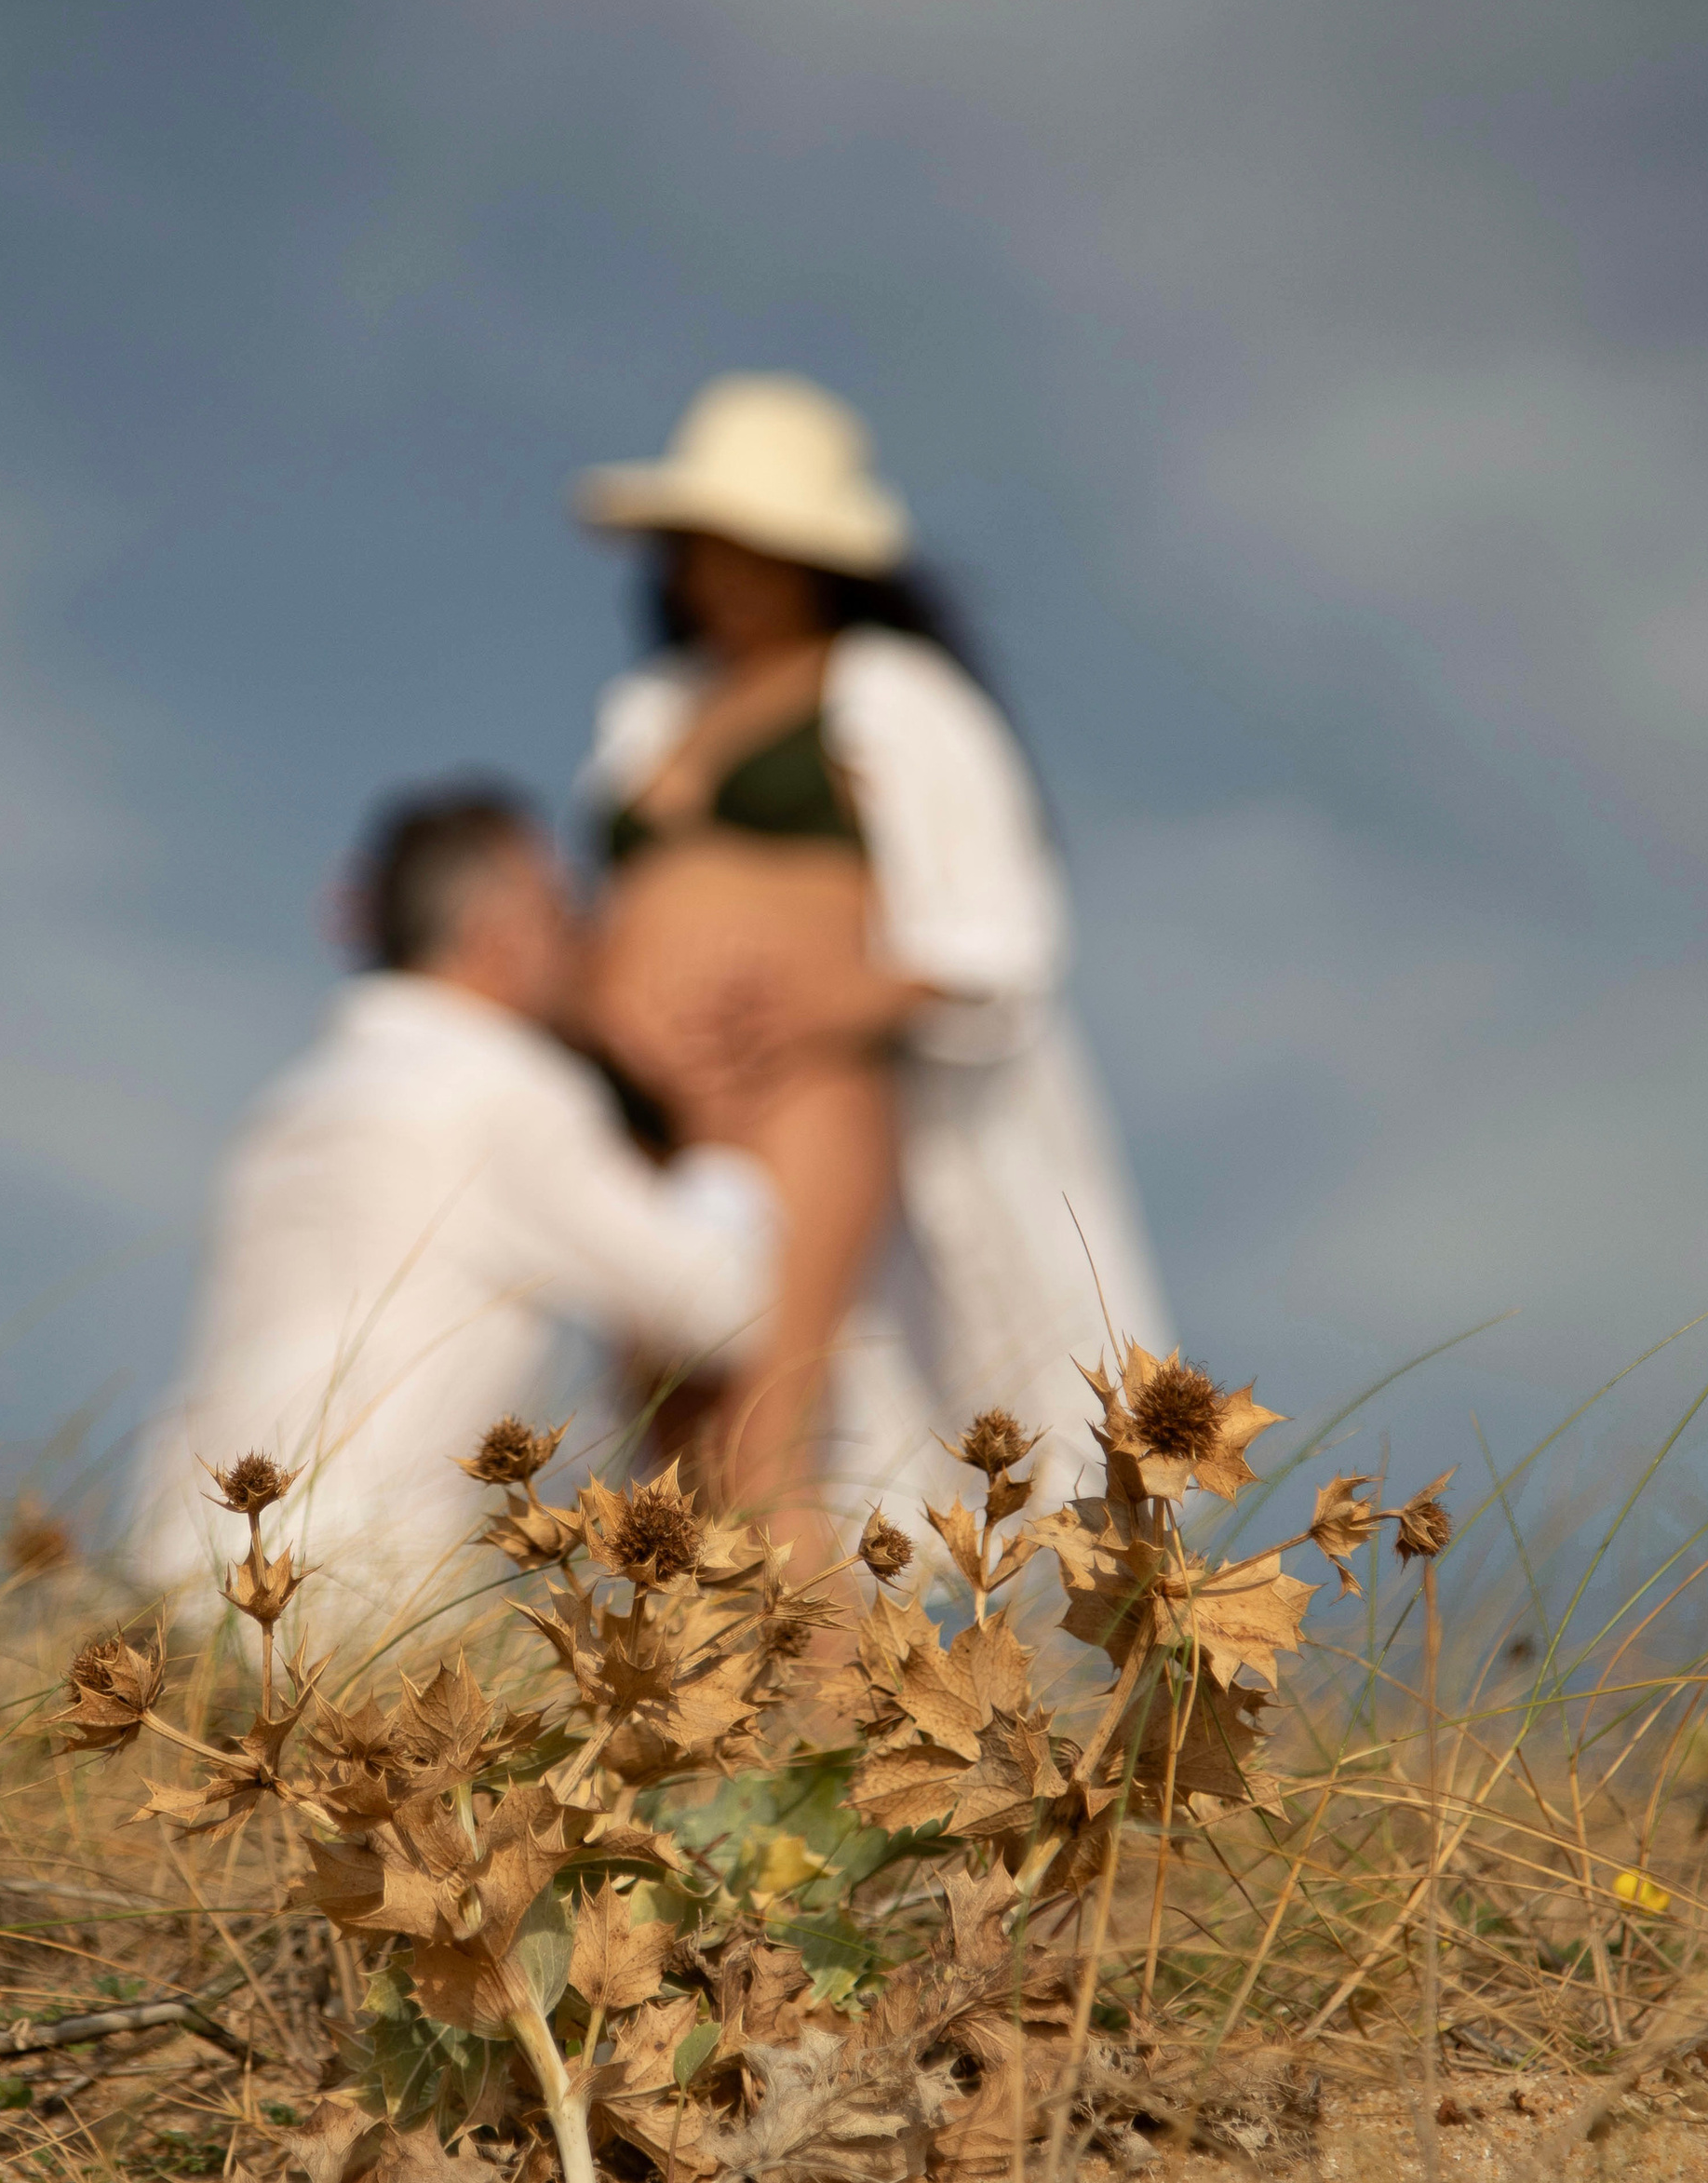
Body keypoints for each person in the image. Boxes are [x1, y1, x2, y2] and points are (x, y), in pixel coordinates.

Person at [573, 371, 1169, 1522]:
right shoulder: (650, 707)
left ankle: (814, 1697)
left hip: (796, 1083)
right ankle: (676, 1698)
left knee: (769, 1415)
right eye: (704, 544)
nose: (724, 571)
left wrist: (829, 998)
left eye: (754, 545)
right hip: (646, 1101)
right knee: (660, 1423)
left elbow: (1001, 926)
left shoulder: (895, 694)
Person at [128, 783, 777, 1628]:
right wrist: (719, 1135)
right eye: (561, 910)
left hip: (182, 1570)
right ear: (497, 934)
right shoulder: (502, 1088)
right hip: (354, 1600)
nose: (584, 943)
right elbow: (723, 1304)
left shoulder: (289, 1107)